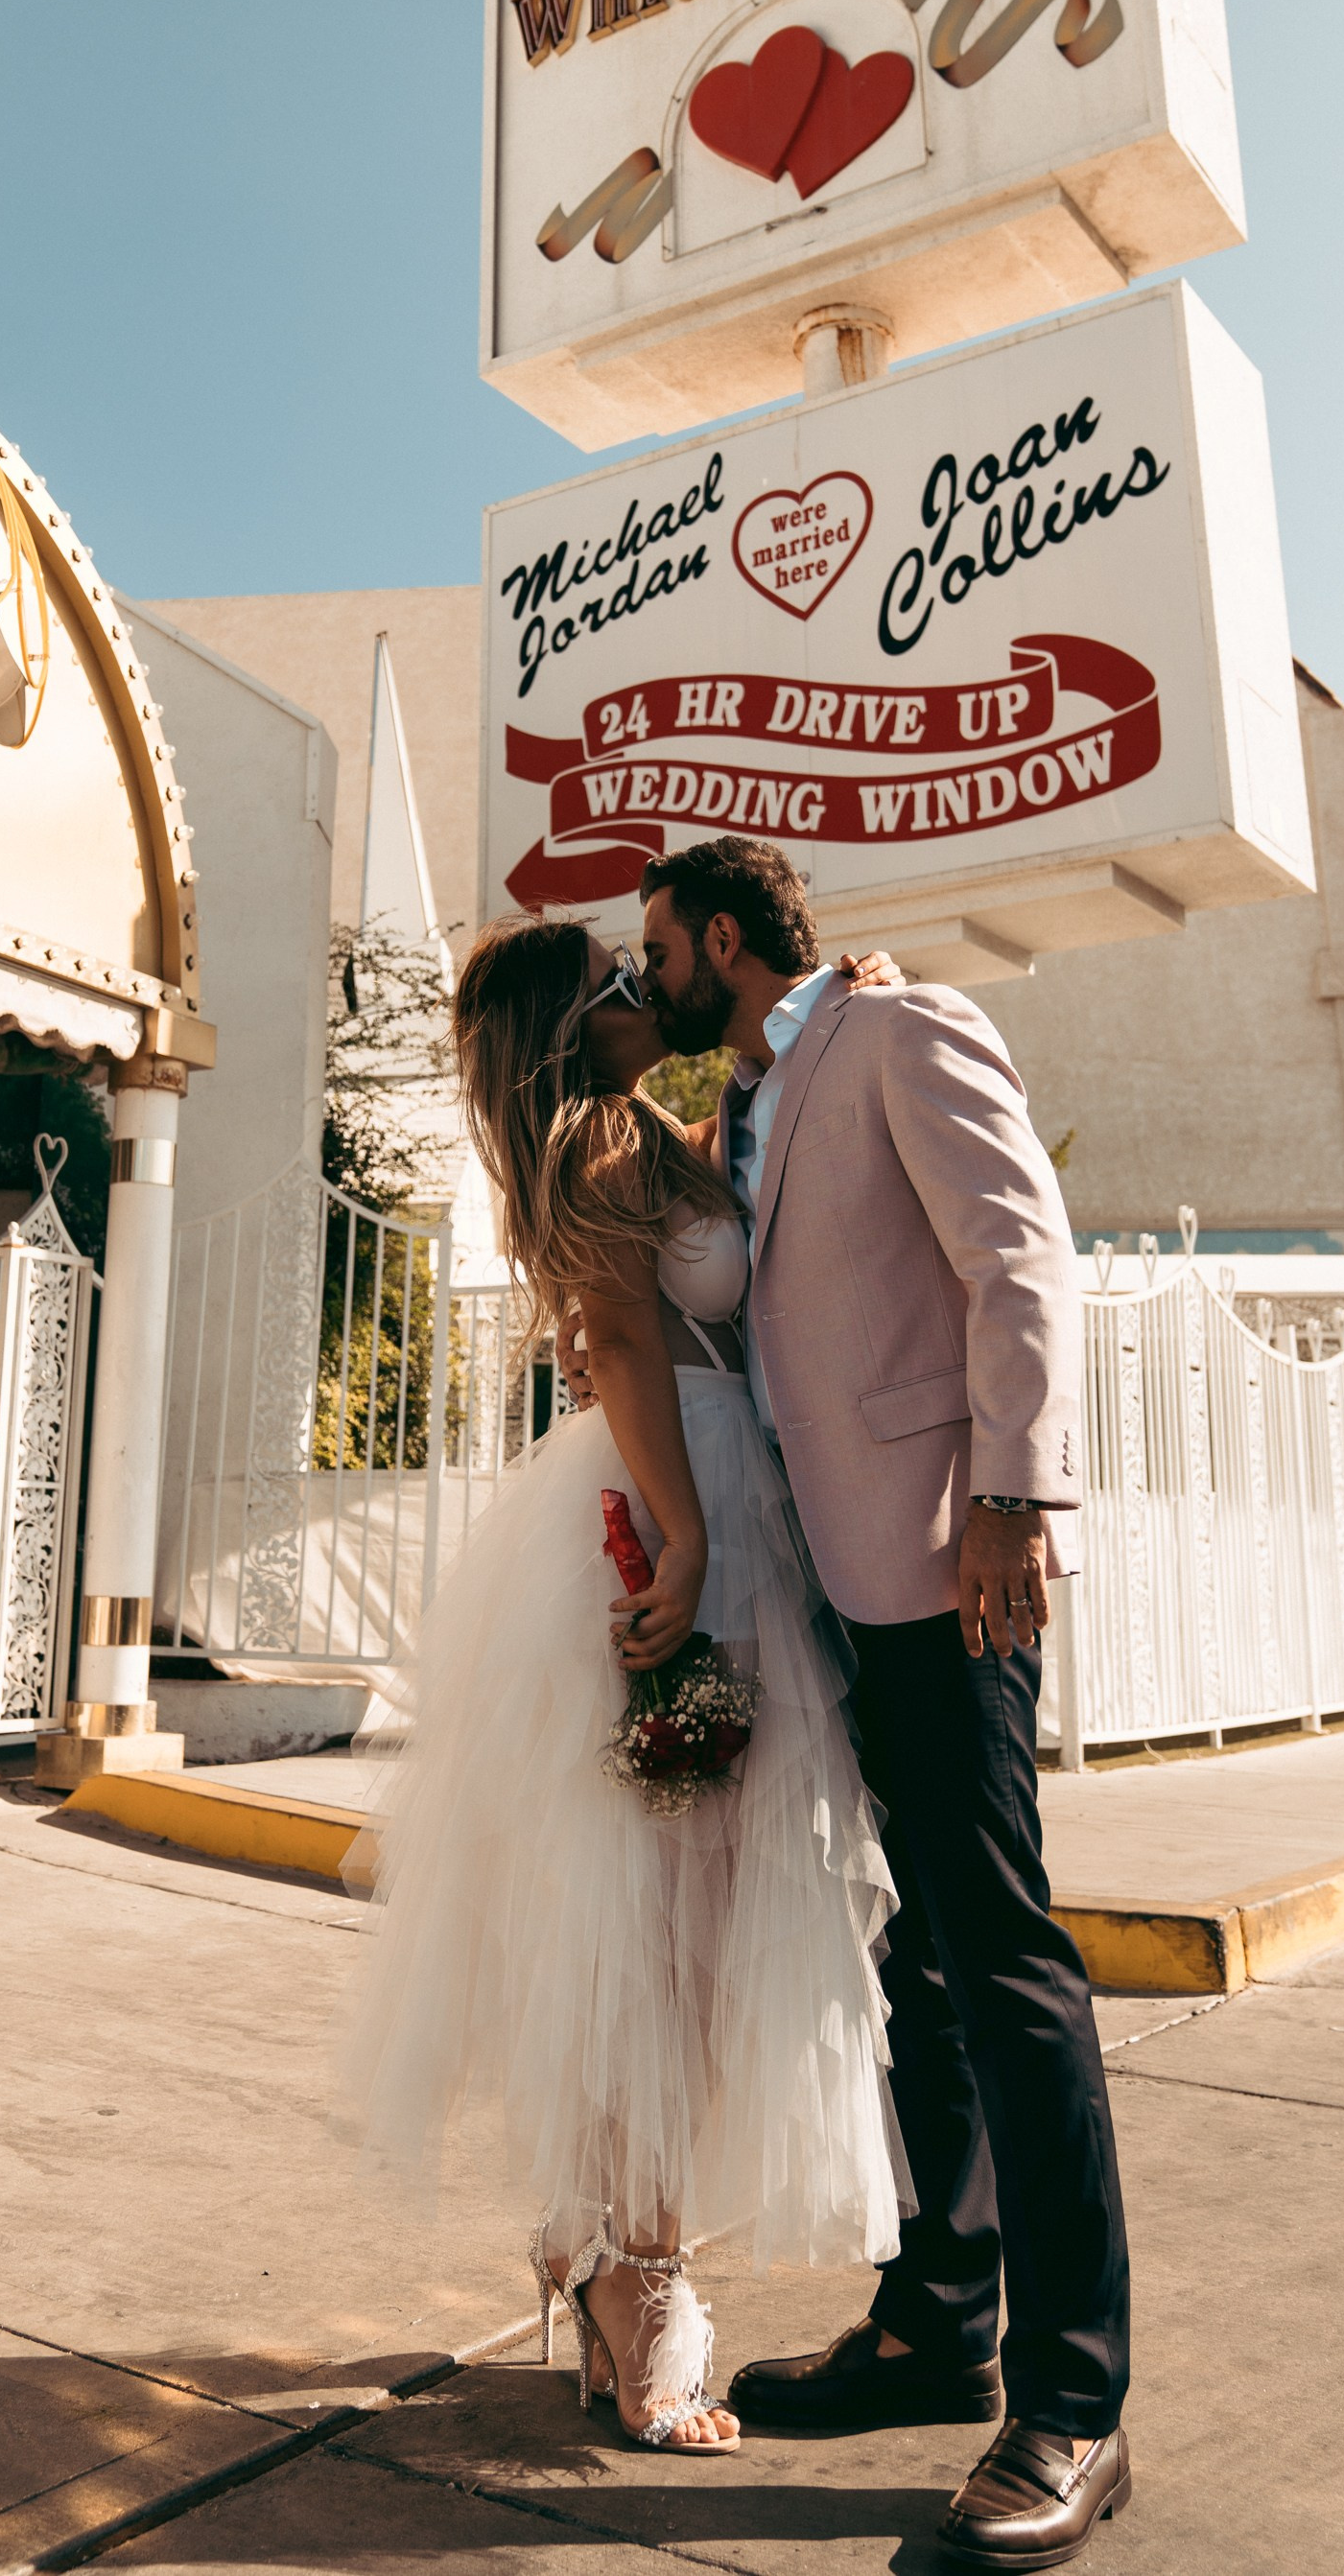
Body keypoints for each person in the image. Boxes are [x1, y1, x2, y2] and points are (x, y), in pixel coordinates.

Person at [611, 836, 1133, 2568]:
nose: (648, 978)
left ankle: (1074, 2404)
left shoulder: (903, 1031)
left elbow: (1019, 1256)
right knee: (917, 1957)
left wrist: (1013, 1493)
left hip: (945, 1555)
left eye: (658, 950)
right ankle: (937, 2322)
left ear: (725, 937)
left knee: (1002, 1954)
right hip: (834, 1578)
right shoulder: (756, 1099)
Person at [335, 915, 911, 2456]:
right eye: (610, 981)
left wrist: (837, 996)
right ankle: (633, 2272)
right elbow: (627, 1341)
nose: (638, 988)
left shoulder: (651, 1129)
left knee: (683, 1922)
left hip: (716, 1510)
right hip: (675, 1521)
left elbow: (739, 1194)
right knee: (665, 1929)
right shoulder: (592, 1144)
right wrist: (688, 1538)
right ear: (567, 1028)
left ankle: (604, 2244)